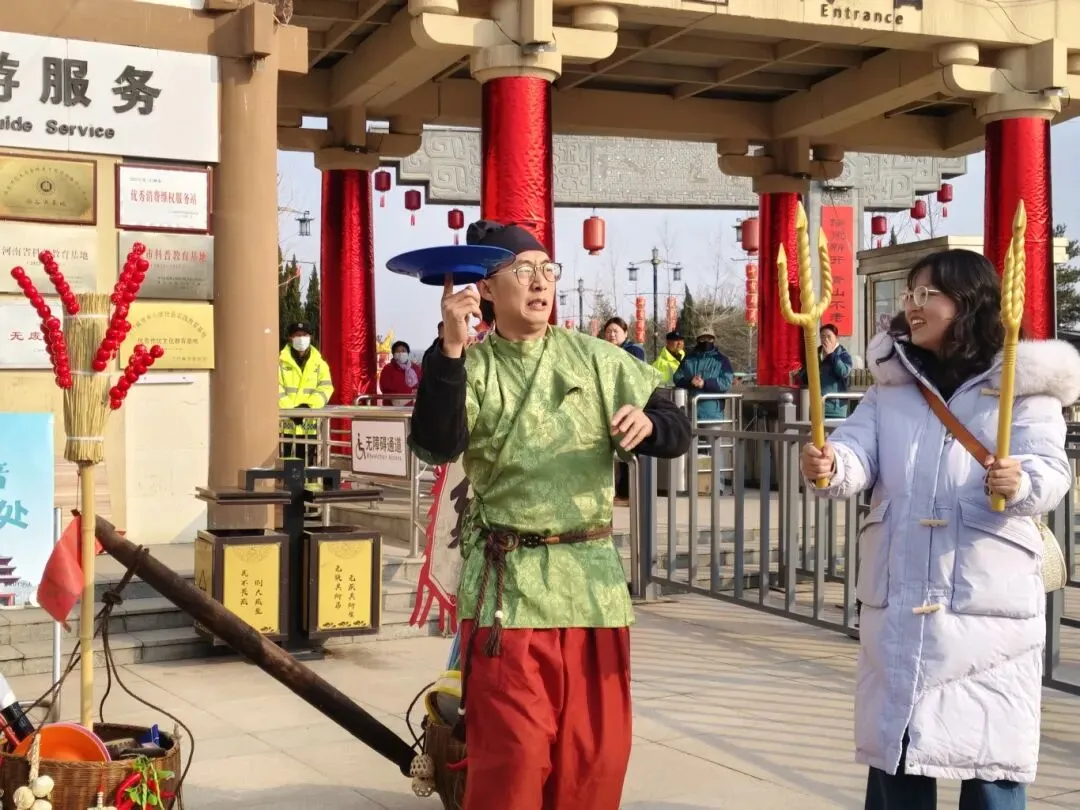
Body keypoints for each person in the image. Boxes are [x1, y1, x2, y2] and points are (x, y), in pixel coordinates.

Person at [408, 219, 691, 810]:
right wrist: (450, 349)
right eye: (523, 271)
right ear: (487, 288)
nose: (540, 283)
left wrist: (650, 423)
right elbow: (435, 444)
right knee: (514, 761)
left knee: (595, 759)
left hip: (592, 588)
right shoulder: (470, 366)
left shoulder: (597, 358)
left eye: (548, 270)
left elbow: (676, 425)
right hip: (510, 592)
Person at [799, 249, 1080, 810]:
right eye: (909, 293)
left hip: (987, 607)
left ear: (967, 302)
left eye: (926, 294)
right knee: (897, 754)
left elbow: (1051, 470)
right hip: (902, 596)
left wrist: (1020, 480)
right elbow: (856, 450)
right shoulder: (892, 386)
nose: (912, 305)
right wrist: (832, 465)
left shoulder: (1024, 386)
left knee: (991, 762)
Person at [278, 321, 334, 466]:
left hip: (309, 425)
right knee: (285, 467)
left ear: (310, 338)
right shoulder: (280, 362)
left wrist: (308, 407)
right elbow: (275, 388)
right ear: (290, 338)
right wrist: (291, 411)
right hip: (286, 424)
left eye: (304, 335)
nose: (301, 338)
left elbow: (326, 388)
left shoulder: (320, 364)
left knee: (307, 467)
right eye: (297, 335)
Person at [673, 330, 734, 423]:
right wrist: (690, 382)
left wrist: (704, 384)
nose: (706, 341)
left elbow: (726, 382)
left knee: (711, 433)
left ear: (713, 340)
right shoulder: (688, 359)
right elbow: (677, 378)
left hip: (713, 415)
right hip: (689, 413)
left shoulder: (722, 360)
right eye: (702, 339)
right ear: (697, 340)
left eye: (709, 339)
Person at [796, 323, 854, 419]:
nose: (825, 339)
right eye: (822, 336)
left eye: (829, 336)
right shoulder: (816, 353)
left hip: (835, 409)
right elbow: (805, 376)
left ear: (837, 338)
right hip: (815, 406)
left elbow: (844, 372)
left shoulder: (843, 354)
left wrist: (831, 355)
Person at [379, 340, 422, 405]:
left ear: (408, 353)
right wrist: (410, 392)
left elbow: (422, 385)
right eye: (398, 351)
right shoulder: (387, 369)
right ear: (393, 354)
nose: (401, 353)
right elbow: (385, 388)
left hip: (414, 406)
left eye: (403, 351)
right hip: (393, 407)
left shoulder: (416, 368)